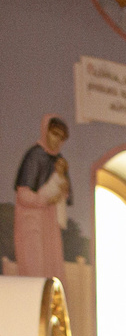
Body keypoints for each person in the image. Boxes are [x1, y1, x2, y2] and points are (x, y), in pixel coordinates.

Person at [11, 119, 70, 281]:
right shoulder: (34, 155)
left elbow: (65, 194)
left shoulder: (59, 161)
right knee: (34, 269)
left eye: (61, 137)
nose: (57, 139)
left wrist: (62, 192)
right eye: (54, 134)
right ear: (46, 132)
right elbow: (23, 195)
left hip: (50, 223)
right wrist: (44, 200)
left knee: (53, 270)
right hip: (31, 221)